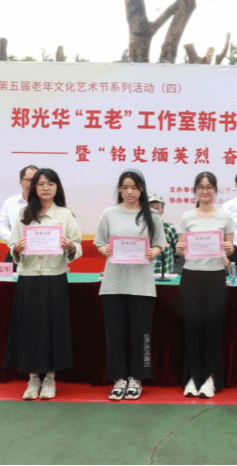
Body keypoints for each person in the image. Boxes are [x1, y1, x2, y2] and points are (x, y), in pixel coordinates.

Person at [4, 168, 82, 401]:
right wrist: (16, 249)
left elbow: (78, 246)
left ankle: (49, 377)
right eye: (41, 184)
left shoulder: (65, 215)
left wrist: (70, 246)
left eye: (50, 184)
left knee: (54, 328)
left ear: (57, 188)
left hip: (54, 277)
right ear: (34, 188)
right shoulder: (23, 214)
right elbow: (13, 245)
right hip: (28, 278)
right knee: (29, 329)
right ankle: (32, 378)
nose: (46, 188)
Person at [95, 170, 166, 401]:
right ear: (119, 189)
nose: (129, 192)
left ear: (141, 189)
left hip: (141, 285)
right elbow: (99, 242)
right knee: (115, 334)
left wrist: (153, 251)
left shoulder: (152, 215)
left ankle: (136, 379)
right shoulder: (109, 214)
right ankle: (119, 379)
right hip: (113, 284)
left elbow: (160, 244)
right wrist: (104, 249)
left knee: (141, 334)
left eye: (134, 187)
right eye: (125, 187)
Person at [175, 172, 235, 398]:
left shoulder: (225, 216)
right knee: (191, 328)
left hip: (215, 277)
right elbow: (182, 248)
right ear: (195, 191)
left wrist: (229, 250)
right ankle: (192, 378)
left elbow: (230, 249)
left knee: (212, 328)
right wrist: (179, 249)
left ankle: (210, 378)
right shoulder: (187, 217)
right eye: (201, 187)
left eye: (209, 187)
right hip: (191, 277)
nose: (205, 191)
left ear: (216, 190)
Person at [0, 165, 39, 265]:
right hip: (17, 253)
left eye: (36, 180)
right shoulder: (10, 203)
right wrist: (15, 240)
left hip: (43, 257)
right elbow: (1, 227)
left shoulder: (48, 204)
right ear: (21, 182)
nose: (33, 184)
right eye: (29, 180)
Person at [148, 194, 179, 276]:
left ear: (162, 210)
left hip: (166, 275)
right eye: (151, 207)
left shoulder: (169, 227)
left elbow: (177, 251)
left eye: (158, 207)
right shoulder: (140, 228)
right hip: (144, 274)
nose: (155, 210)